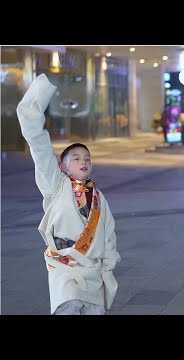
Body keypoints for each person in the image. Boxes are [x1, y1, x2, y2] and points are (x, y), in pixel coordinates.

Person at [16, 74, 121, 315]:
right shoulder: (55, 184)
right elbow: (38, 142)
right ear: (63, 166)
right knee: (67, 306)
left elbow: (109, 233)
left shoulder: (98, 198)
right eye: (76, 158)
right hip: (65, 265)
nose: (83, 162)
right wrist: (42, 92)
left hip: (93, 270)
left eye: (87, 159)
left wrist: (108, 265)